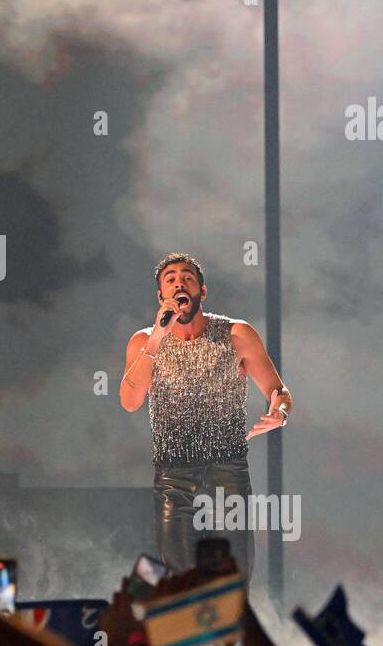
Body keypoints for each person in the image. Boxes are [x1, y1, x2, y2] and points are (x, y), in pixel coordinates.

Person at [119, 252, 292, 594]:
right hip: (174, 475)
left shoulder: (236, 333)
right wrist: (156, 337)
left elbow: (279, 390)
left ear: (202, 291)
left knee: (234, 582)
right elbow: (130, 401)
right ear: (161, 297)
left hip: (228, 470)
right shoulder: (143, 342)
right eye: (170, 279)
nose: (179, 282)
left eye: (187, 277)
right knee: (181, 583)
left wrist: (280, 411)